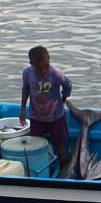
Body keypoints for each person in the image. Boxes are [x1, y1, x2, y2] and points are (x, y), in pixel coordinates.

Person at [19, 46, 73, 174]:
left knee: (60, 142)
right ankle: (37, 168)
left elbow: (68, 85)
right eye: (39, 68)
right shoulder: (27, 73)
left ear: (49, 59)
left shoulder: (56, 74)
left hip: (56, 116)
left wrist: (63, 98)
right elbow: (25, 89)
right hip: (36, 116)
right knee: (35, 142)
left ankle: (63, 169)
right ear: (32, 64)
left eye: (46, 66)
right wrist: (22, 110)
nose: (43, 70)